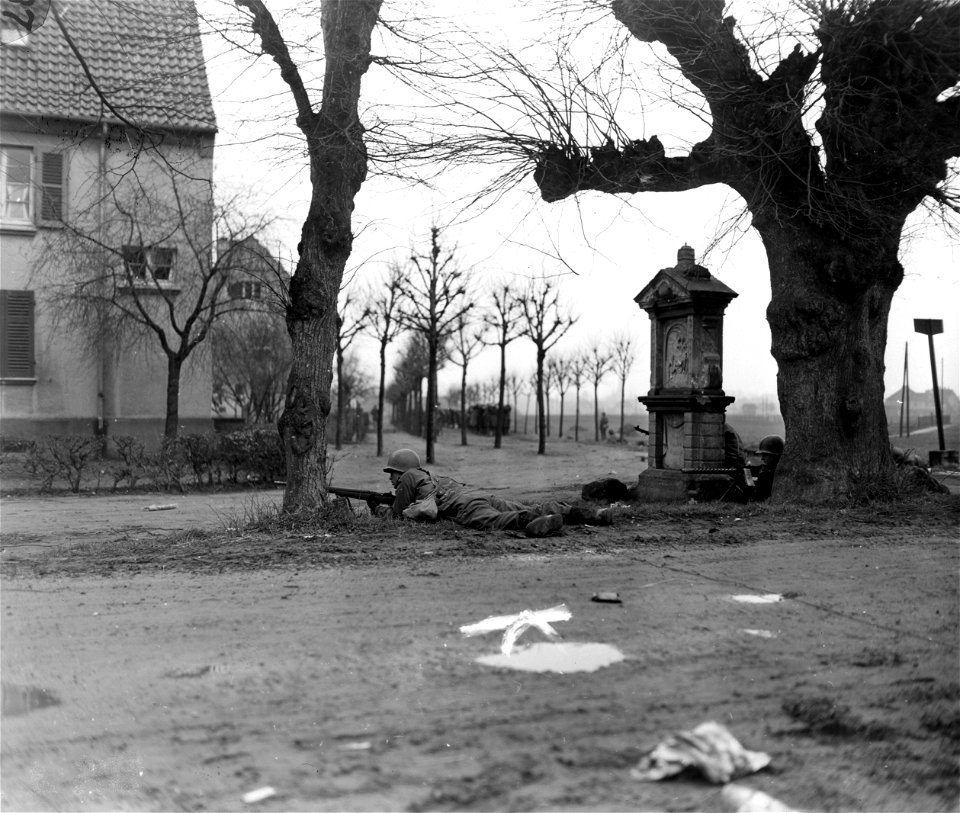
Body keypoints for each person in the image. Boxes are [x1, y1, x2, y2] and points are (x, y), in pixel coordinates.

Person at [373, 449, 614, 537]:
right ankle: (587, 514)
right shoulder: (430, 477)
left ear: (402, 471)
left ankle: (534, 522)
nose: (391, 479)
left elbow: (397, 516)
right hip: (477, 494)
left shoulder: (408, 477)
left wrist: (377, 507)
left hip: (465, 506)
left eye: (392, 473)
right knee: (522, 507)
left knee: (495, 522)